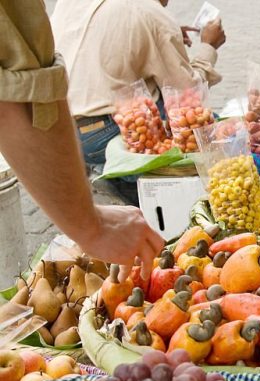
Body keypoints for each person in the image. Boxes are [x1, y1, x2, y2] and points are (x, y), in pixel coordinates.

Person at [0, 0, 164, 280]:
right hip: (101, 132)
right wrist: (91, 226)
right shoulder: (152, 14)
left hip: (77, 129)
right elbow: (20, 96)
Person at [50, 0, 226, 170]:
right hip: (106, 134)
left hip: (61, 129)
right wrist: (208, 47)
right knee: (210, 128)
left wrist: (162, 33)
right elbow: (188, 94)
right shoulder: (151, 12)